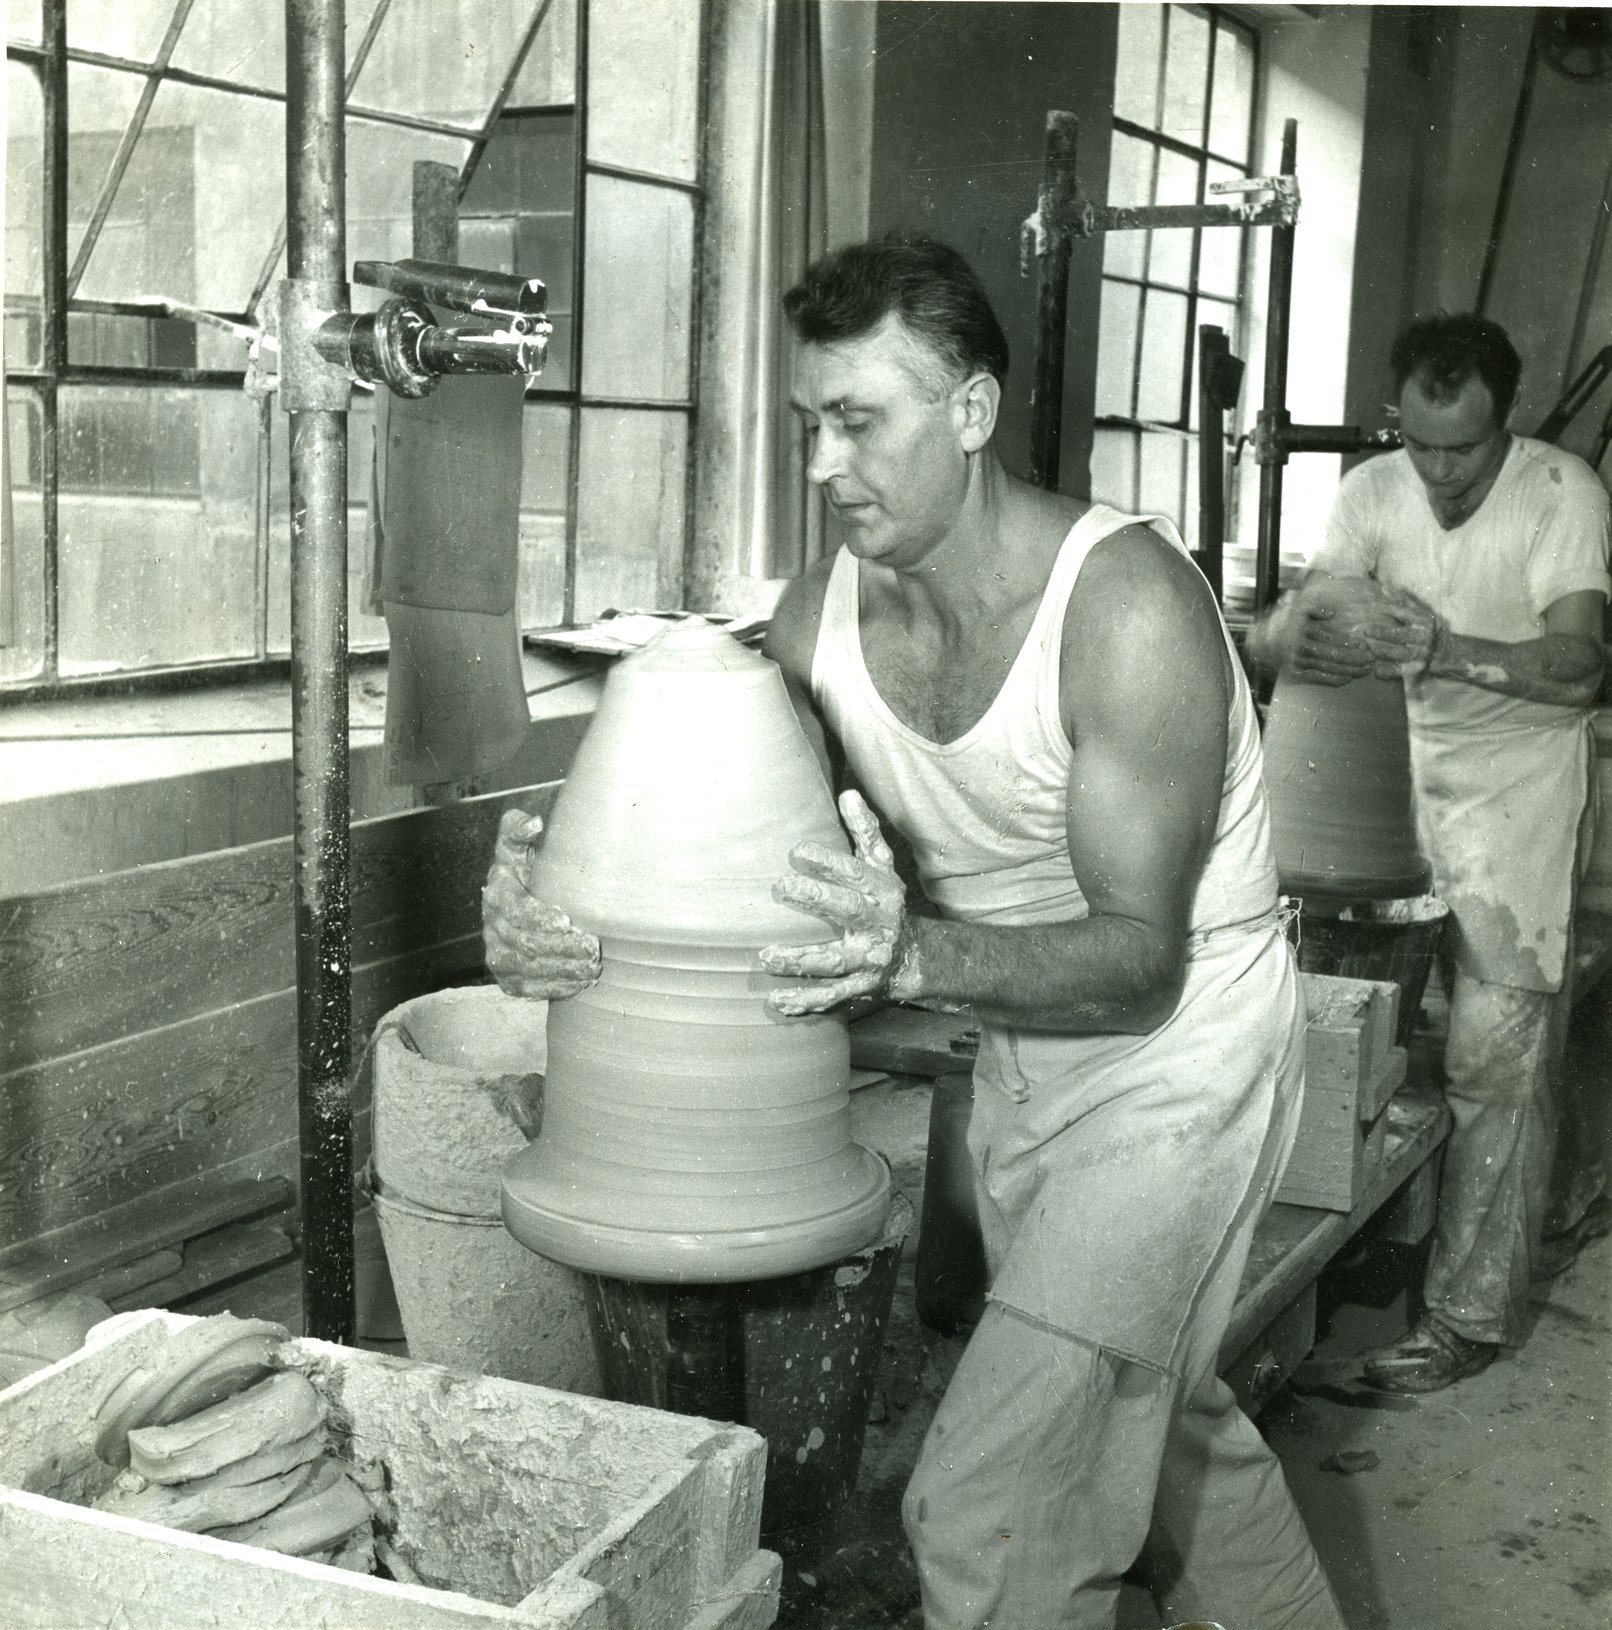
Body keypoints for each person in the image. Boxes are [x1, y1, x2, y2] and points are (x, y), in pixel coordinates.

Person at [484, 234, 1344, 1629]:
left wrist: (909, 957)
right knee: (1148, 1417)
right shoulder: (824, 616)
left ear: (971, 411)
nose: (823, 465)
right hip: (1020, 1042)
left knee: (990, 1506)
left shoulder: (1124, 612)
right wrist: (548, 920)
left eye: (857, 422)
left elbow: (1138, 962)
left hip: (1182, 1055)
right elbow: (717, 845)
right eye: (810, 423)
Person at [1250, 312, 1611, 1394]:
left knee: (1496, 1049)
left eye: (1464, 447)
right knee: (1358, 1023)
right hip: (1388, 776)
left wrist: (1450, 647)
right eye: (1421, 445)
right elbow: (1301, 619)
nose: (1441, 471)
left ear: (1504, 420)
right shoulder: (1370, 493)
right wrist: (1285, 633)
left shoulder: (1559, 496)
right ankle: (1556, 1181)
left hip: (1518, 783)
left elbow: (1582, 665)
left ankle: (1465, 1313)